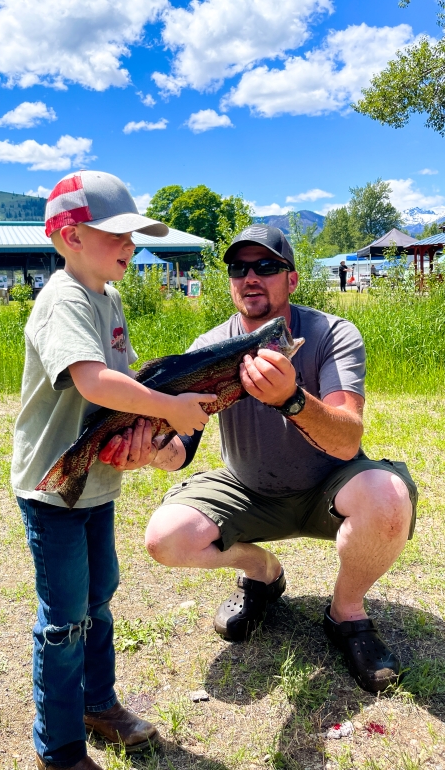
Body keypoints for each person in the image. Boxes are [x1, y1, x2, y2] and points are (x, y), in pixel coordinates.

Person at [143, 224, 418, 695]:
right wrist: (151, 449)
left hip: (331, 483)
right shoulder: (207, 349)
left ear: (291, 280)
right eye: (239, 267)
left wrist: (292, 399)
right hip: (247, 487)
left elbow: (349, 438)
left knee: (389, 497)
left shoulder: (332, 333)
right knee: (165, 539)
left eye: (267, 266)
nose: (251, 277)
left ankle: (346, 613)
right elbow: (179, 451)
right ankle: (263, 574)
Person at [11, 170, 217, 770]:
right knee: (65, 616)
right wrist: (170, 410)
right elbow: (93, 379)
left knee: (99, 598)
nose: (130, 246)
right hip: (53, 487)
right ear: (71, 236)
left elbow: (125, 385)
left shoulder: (108, 296)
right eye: (117, 235)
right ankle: (59, 745)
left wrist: (154, 439)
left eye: (134, 237)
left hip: (95, 483)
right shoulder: (64, 299)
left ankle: (97, 704)